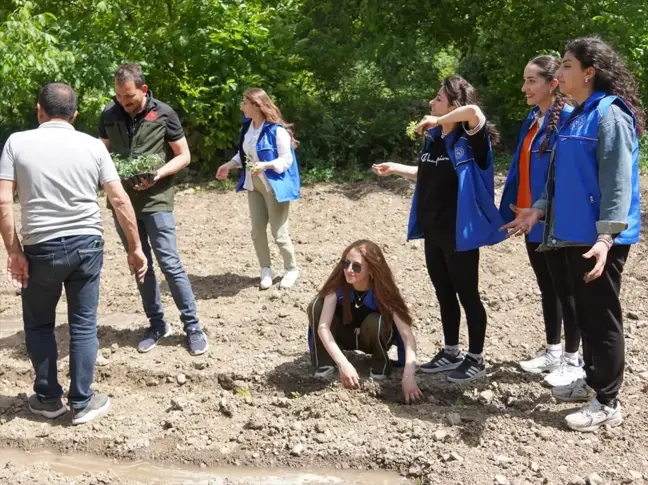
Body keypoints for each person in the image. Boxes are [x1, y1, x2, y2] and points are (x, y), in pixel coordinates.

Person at [504, 37, 643, 431]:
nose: (559, 72)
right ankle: (594, 382)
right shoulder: (574, 115)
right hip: (570, 232)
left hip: (599, 239)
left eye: (566, 65)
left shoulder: (610, 115)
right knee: (583, 313)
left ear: (589, 71)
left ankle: (608, 402)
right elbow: (557, 175)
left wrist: (606, 238)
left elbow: (619, 184)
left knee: (601, 318)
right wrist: (539, 209)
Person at [0, 83, 147, 425]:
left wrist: (14, 252)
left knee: (38, 324)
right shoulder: (92, 146)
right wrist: (135, 247)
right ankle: (82, 401)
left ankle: (49, 398)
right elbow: (119, 198)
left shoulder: (16, 142)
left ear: (39, 110)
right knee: (83, 325)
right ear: (75, 115)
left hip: (41, 247)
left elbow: (4, 200)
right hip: (87, 244)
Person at [373, 75, 505, 383]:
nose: (432, 103)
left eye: (439, 99)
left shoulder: (472, 141)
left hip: (460, 233)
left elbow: (473, 113)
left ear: (452, 106)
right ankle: (451, 351)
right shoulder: (435, 141)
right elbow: (426, 175)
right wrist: (394, 168)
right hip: (434, 231)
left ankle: (476, 358)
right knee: (444, 292)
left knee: (467, 295)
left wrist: (438, 119)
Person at [99, 63, 208, 356]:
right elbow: (102, 154)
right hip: (123, 204)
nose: (124, 102)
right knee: (140, 264)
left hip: (157, 200)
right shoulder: (109, 116)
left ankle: (193, 326)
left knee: (169, 263)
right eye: (120, 97)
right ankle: (157, 324)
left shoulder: (164, 113)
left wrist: (157, 174)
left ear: (143, 89)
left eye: (130, 97)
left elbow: (183, 155)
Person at [499, 55, 582, 387]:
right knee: (547, 287)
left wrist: (543, 209)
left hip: (556, 219)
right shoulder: (532, 119)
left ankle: (573, 359)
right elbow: (520, 169)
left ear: (553, 83)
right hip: (530, 219)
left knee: (567, 290)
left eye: (531, 81)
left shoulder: (569, 120)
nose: (524, 88)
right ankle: (553, 350)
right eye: (525, 80)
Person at [306, 240, 422, 403]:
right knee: (316, 304)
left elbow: (407, 335)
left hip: (371, 336)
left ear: (372, 270)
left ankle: (379, 364)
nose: (348, 270)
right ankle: (325, 361)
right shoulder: (338, 285)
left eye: (357, 266)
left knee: (378, 321)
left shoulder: (384, 292)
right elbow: (323, 327)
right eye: (345, 264)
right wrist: (343, 364)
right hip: (344, 334)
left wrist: (408, 377)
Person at [215, 88, 300, 290]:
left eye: (244, 103)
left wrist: (266, 165)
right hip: (254, 186)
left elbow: (286, 160)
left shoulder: (276, 131)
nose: (242, 107)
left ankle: (291, 269)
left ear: (256, 105)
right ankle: (266, 269)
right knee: (257, 231)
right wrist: (229, 164)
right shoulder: (247, 129)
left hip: (273, 187)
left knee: (279, 232)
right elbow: (243, 154)